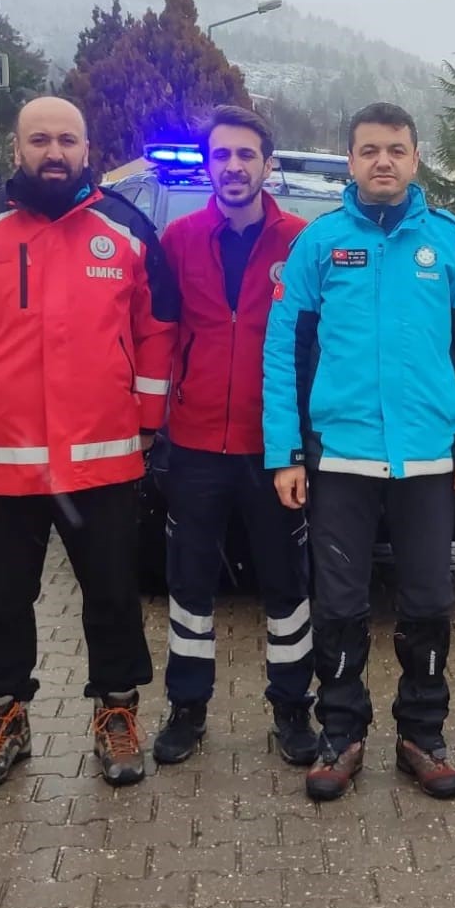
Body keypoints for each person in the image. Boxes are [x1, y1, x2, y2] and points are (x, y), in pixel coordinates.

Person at [0, 96, 177, 790]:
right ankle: (4, 719)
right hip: (2, 463)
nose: (52, 152)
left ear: (87, 148)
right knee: (0, 602)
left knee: (114, 597)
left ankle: (116, 714)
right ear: (16, 148)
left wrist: (147, 417)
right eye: (39, 140)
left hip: (104, 459)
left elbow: (158, 330)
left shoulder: (126, 228)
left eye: (66, 139)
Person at [263, 101, 455, 802]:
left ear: (415, 156)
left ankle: (421, 735)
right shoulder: (318, 243)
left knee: (428, 603)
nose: (383, 162)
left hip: (429, 462)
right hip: (340, 462)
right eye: (369, 150)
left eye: (396, 149)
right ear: (351, 159)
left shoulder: (452, 243)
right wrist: (285, 453)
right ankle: (342, 733)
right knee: (339, 606)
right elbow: (284, 352)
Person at [153, 106, 317, 767]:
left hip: (275, 450)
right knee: (190, 586)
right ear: (208, 165)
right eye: (221, 156)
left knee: (286, 586)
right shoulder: (180, 239)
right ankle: (188, 707)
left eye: (247, 155)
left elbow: (321, 343)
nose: (234, 167)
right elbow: (162, 338)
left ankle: (292, 710)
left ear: (266, 164)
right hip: (194, 445)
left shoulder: (303, 241)